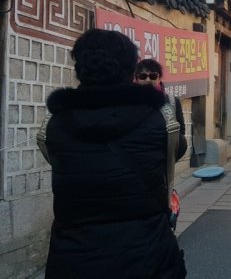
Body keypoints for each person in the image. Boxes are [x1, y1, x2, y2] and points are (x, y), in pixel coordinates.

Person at [39, 29, 186, 278]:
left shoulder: (54, 124)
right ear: (131, 71)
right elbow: (174, 154)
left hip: (74, 259)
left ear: (80, 68)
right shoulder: (161, 120)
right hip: (148, 255)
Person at [135, 58, 188, 159]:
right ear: (136, 79)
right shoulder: (130, 102)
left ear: (159, 78)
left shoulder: (172, 102)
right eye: (143, 76)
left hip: (161, 162)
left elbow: (180, 134)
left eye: (153, 76)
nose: (148, 80)